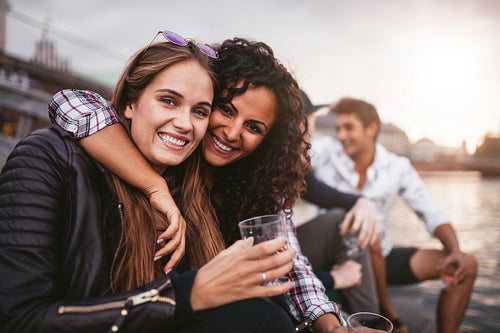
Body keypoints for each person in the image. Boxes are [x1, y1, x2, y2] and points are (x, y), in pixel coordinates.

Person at [48, 38, 352, 332]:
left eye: (253, 127)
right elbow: (71, 102)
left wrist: (330, 324)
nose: (232, 133)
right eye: (226, 109)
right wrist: (155, 184)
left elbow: (291, 263)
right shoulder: (165, 158)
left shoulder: (255, 188)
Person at [0, 33, 297, 333]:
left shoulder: (189, 185)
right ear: (130, 103)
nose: (184, 123)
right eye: (168, 101)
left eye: (199, 111)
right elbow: (19, 319)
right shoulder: (51, 159)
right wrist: (182, 296)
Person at [311, 96, 478, 333]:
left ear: (371, 129)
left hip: (381, 259)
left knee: (466, 266)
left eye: (349, 128)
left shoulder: (397, 166)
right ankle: (390, 316)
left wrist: (455, 251)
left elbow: (431, 212)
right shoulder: (325, 152)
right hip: (338, 258)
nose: (341, 136)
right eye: (338, 128)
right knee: (366, 232)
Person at [294, 90, 380, 316]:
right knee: (344, 222)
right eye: (312, 117)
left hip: (285, 251)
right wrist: (333, 279)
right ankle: (370, 321)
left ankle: (367, 320)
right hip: (275, 263)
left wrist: (362, 201)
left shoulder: (289, 160)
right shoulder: (279, 162)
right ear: (301, 122)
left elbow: (322, 193)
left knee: (345, 218)